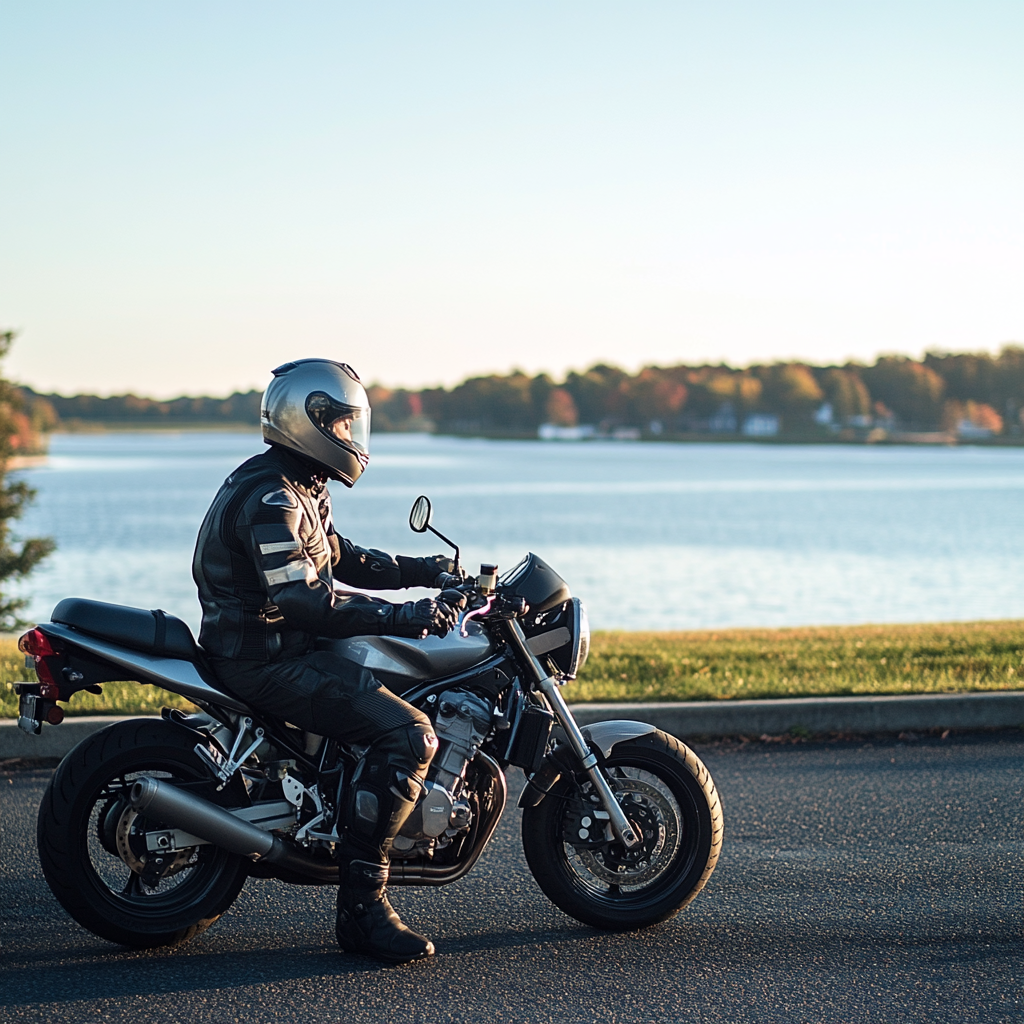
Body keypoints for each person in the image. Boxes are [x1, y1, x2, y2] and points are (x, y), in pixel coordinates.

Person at [192, 358, 461, 964]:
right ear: (307, 421)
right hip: (265, 660)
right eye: (341, 426)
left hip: (278, 648)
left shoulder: (297, 484)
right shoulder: (270, 496)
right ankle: (364, 913)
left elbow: (339, 557)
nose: (350, 438)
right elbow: (302, 598)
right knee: (410, 735)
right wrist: (407, 615)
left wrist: (428, 573)